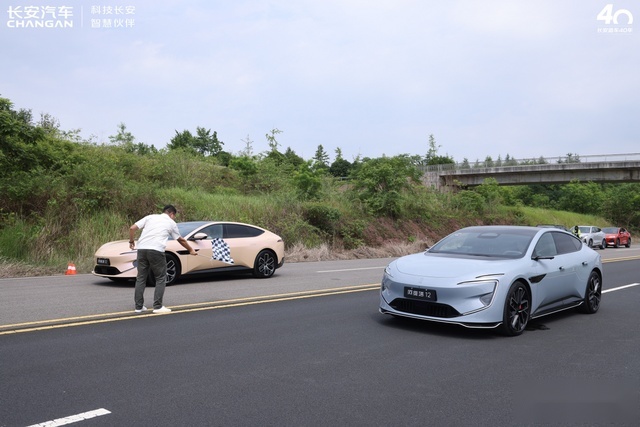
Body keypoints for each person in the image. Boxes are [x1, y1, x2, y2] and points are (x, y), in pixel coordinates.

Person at [129, 205, 197, 314]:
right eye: (174, 216)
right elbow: (181, 240)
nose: (174, 218)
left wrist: (131, 241)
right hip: (156, 250)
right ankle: (157, 306)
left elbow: (132, 228)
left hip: (141, 249)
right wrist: (191, 250)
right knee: (161, 277)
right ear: (171, 214)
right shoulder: (171, 223)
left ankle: (139, 307)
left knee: (141, 278)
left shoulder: (150, 217)